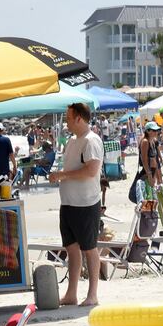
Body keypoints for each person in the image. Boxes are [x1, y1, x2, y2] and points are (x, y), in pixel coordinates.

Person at [49, 103, 104, 307]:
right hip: (69, 203)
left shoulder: (91, 140)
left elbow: (91, 171)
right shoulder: (72, 141)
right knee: (71, 248)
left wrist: (62, 175)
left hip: (86, 203)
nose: (67, 122)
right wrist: (61, 176)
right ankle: (71, 293)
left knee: (89, 248)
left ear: (79, 118)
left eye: (69, 118)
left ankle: (92, 294)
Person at [139, 122, 163, 189]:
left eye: (157, 130)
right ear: (148, 131)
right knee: (149, 193)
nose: (156, 132)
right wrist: (149, 174)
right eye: (154, 130)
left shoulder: (152, 140)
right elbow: (144, 159)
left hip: (153, 170)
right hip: (148, 171)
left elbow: (154, 157)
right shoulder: (145, 141)